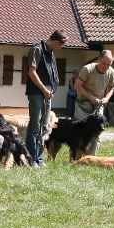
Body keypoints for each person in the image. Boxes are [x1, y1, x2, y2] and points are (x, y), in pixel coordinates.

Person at [25, 30, 67, 168]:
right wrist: (44, 89)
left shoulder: (51, 53)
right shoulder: (37, 49)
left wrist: (51, 90)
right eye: (61, 44)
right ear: (55, 41)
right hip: (37, 93)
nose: (62, 47)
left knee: (44, 126)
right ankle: (31, 157)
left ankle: (39, 157)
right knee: (35, 124)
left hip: (47, 94)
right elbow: (32, 72)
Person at [75, 50, 114, 155]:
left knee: (97, 132)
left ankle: (91, 159)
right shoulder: (87, 69)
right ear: (99, 59)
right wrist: (91, 97)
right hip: (83, 104)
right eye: (104, 63)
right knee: (81, 132)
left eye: (109, 64)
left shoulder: (112, 73)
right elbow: (77, 86)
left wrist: (106, 98)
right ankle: (78, 158)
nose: (106, 66)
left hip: (98, 105)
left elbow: (111, 88)